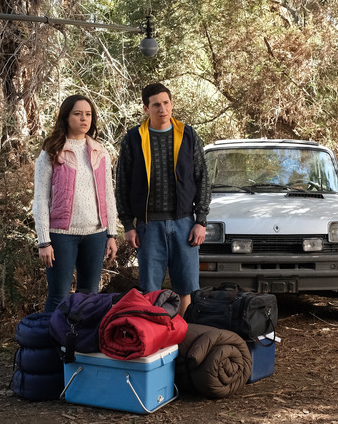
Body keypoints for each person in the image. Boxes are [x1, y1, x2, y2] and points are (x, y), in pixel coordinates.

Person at [115, 82, 211, 317]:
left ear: (171, 104)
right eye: (156, 104)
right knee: (150, 291)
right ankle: (157, 341)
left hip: (185, 224)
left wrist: (201, 220)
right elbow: (122, 184)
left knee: (186, 288)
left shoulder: (187, 135)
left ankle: (186, 340)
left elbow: (203, 179)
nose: (162, 109)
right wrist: (128, 225)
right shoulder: (134, 138)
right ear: (146, 108)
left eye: (166, 103)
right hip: (149, 226)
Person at [33, 95, 118, 313]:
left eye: (88, 114)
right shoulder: (51, 151)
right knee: (58, 297)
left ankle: (79, 346)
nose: (84, 119)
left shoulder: (100, 151)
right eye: (77, 113)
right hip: (61, 235)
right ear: (66, 116)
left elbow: (108, 194)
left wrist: (111, 234)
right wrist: (43, 242)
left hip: (95, 234)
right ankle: (51, 346)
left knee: (89, 296)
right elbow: (41, 198)